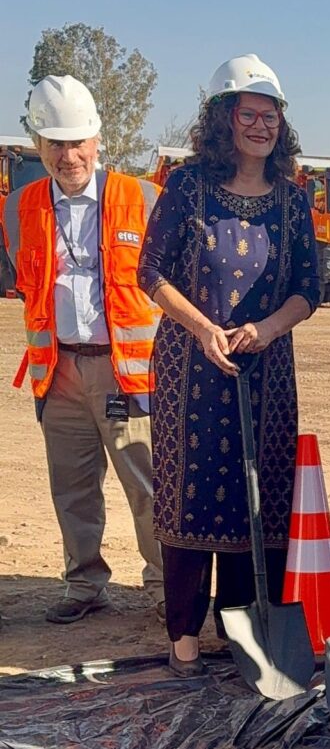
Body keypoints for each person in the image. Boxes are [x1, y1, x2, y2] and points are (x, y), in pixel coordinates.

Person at [137, 54, 320, 677]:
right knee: (189, 499)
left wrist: (265, 329)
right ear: (224, 118)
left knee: (259, 499)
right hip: (192, 370)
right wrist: (204, 329)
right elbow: (150, 273)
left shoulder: (295, 202)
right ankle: (183, 638)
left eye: (272, 116)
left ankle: (246, 636)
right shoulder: (187, 187)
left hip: (267, 374)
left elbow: (309, 287)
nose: (262, 126)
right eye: (250, 113)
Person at [0, 75, 164, 624]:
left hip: (128, 373)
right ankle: (84, 582)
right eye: (55, 143)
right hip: (59, 373)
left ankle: (166, 587)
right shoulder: (19, 207)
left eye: (77, 142)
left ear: (97, 141)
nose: (67, 155)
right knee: (71, 488)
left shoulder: (141, 198)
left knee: (147, 485)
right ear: (37, 146)